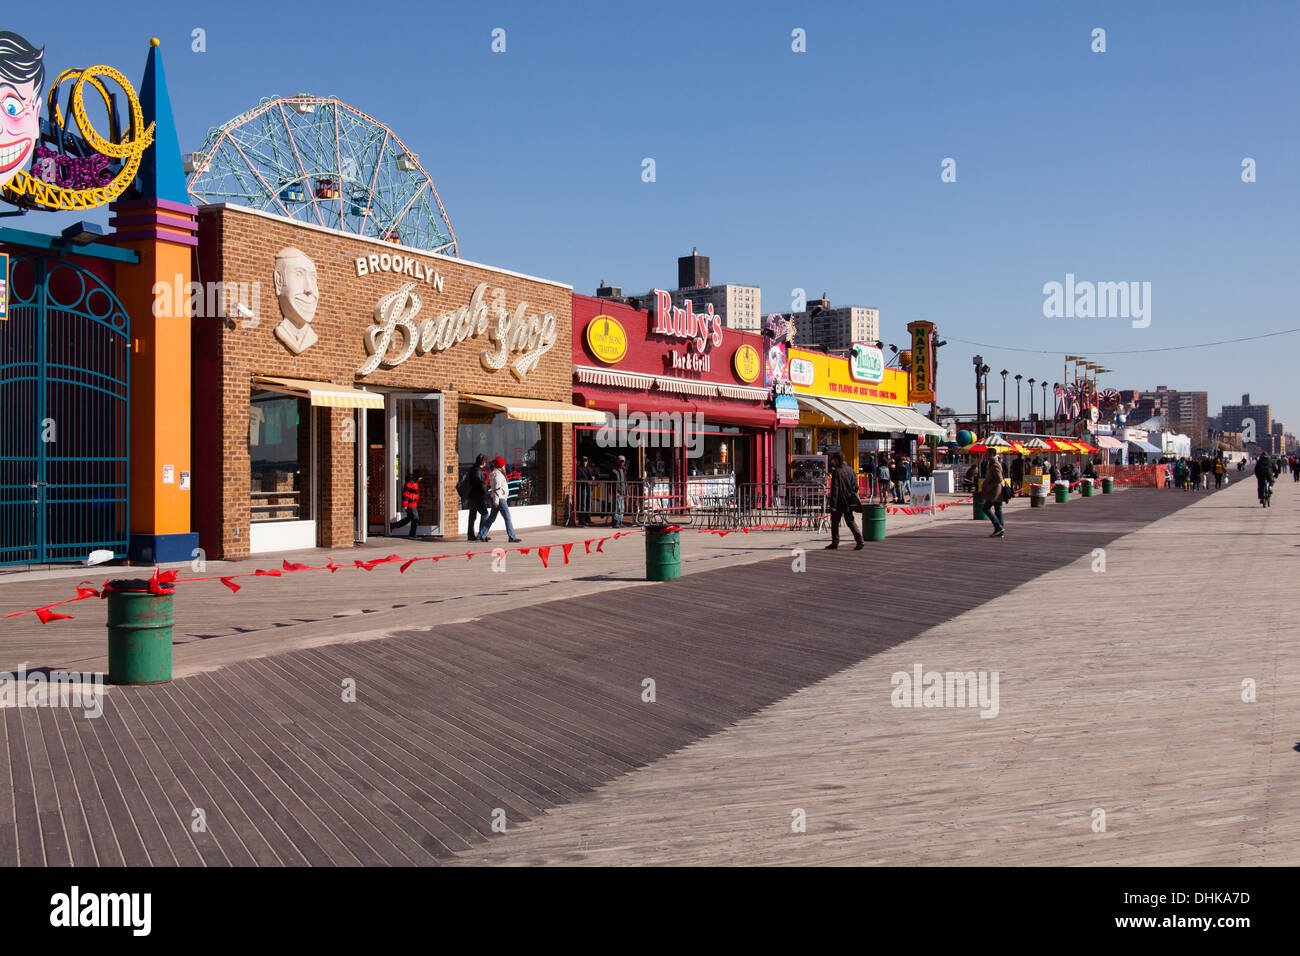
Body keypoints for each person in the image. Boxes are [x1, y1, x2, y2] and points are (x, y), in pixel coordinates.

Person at [825, 451, 864, 550]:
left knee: (835, 522)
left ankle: (835, 542)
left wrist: (832, 504)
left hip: (839, 501)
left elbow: (835, 488)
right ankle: (860, 540)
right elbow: (856, 486)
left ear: (837, 460)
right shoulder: (851, 470)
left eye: (833, 460)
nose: (833, 462)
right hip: (848, 500)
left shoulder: (837, 471)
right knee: (850, 521)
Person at [480, 456, 522, 542]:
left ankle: (482, 534)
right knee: (507, 517)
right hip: (500, 499)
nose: (504, 466)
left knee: (491, 518)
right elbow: (496, 489)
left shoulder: (497, 473)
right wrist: (496, 501)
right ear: (500, 465)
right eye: (503, 464)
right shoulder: (497, 475)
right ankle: (512, 537)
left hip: (498, 499)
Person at [460, 453, 490, 541]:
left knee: (472, 516)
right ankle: (481, 534)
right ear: (483, 462)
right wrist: (485, 491)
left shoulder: (472, 469)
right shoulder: (478, 471)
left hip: (471, 495)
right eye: (485, 462)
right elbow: (480, 484)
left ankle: (470, 534)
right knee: (485, 514)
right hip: (477, 496)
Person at [980, 449, 1006, 538]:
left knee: (986, 508)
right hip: (997, 490)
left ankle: (998, 527)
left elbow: (999, 478)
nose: (985, 454)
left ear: (991, 454)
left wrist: (989, 486)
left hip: (994, 491)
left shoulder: (994, 464)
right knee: (998, 509)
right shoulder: (992, 463)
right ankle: (1000, 530)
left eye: (986, 453)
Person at [390, 470, 422, 538]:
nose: (421, 478)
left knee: (409, 518)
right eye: (420, 477)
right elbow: (405, 493)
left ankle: (393, 526)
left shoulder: (414, 482)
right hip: (411, 504)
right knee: (415, 518)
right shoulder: (411, 482)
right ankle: (412, 534)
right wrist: (405, 504)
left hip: (413, 504)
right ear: (417, 476)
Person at [574, 455, 594, 526]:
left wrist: (593, 477)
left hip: (589, 488)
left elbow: (593, 475)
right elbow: (579, 478)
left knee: (589, 503)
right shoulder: (579, 469)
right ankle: (582, 520)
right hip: (583, 488)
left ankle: (588, 519)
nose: (585, 462)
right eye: (583, 460)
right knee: (583, 504)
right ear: (581, 461)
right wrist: (586, 482)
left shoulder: (589, 468)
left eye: (586, 460)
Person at [611, 454, 629, 528]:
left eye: (623, 461)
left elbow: (625, 481)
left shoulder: (624, 470)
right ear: (618, 461)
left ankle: (620, 522)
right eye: (621, 461)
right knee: (616, 507)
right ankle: (615, 523)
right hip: (617, 492)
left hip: (622, 491)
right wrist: (615, 491)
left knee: (622, 508)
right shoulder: (614, 470)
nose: (622, 463)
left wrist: (627, 492)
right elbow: (612, 482)